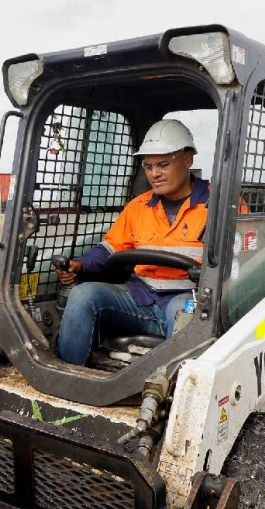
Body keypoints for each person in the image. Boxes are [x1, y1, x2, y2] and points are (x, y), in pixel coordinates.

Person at [55, 120, 208, 366]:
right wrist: (79, 265)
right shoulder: (138, 207)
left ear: (187, 160)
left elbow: (239, 266)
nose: (154, 174)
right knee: (83, 295)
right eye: (148, 167)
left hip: (188, 299)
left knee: (185, 314)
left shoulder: (219, 206)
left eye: (163, 165)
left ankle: (169, 393)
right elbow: (110, 249)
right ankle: (68, 377)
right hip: (140, 298)